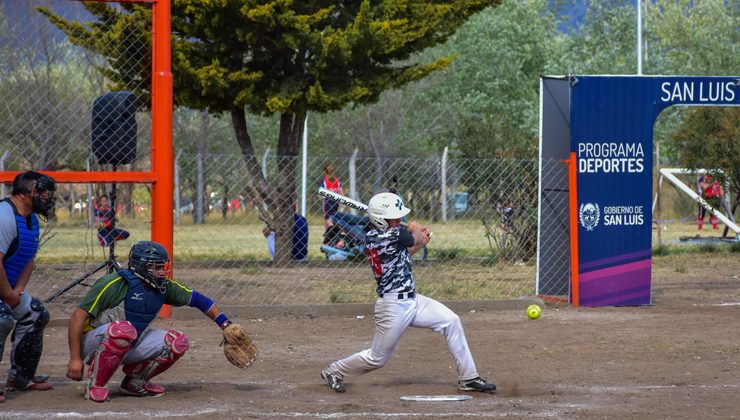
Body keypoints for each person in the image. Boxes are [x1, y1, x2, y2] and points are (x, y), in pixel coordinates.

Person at [320, 192, 495, 393]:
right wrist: (418, 229)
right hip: (393, 307)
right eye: (395, 217)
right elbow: (413, 231)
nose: (399, 219)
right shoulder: (394, 234)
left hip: (413, 301)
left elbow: (404, 254)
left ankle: (469, 378)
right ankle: (334, 370)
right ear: (381, 219)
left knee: (451, 321)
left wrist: (421, 240)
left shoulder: (376, 236)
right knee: (376, 359)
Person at [65, 240, 240, 402]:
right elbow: (77, 318)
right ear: (141, 266)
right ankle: (96, 385)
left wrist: (226, 325)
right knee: (123, 331)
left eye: (163, 266)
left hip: (127, 340)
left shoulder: (163, 287)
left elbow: (201, 301)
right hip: (91, 344)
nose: (162, 271)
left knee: (177, 342)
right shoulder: (114, 283)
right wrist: (75, 358)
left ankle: (135, 382)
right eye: (156, 267)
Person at [0, 171, 57, 402]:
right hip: (2, 287)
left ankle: (20, 376)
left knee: (36, 314)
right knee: (2, 319)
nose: (46, 196)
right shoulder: (5, 215)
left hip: (7, 287)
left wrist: (18, 291)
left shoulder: (31, 218)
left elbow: (28, 258)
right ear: (24, 193)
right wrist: (7, 294)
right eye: (41, 191)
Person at [319, 164, 344, 231]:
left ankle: (332, 232)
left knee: (327, 219)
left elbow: (320, 195)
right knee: (331, 218)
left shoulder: (324, 181)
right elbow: (341, 193)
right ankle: (327, 238)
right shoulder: (337, 181)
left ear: (325, 172)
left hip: (327, 203)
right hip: (336, 203)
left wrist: (320, 198)